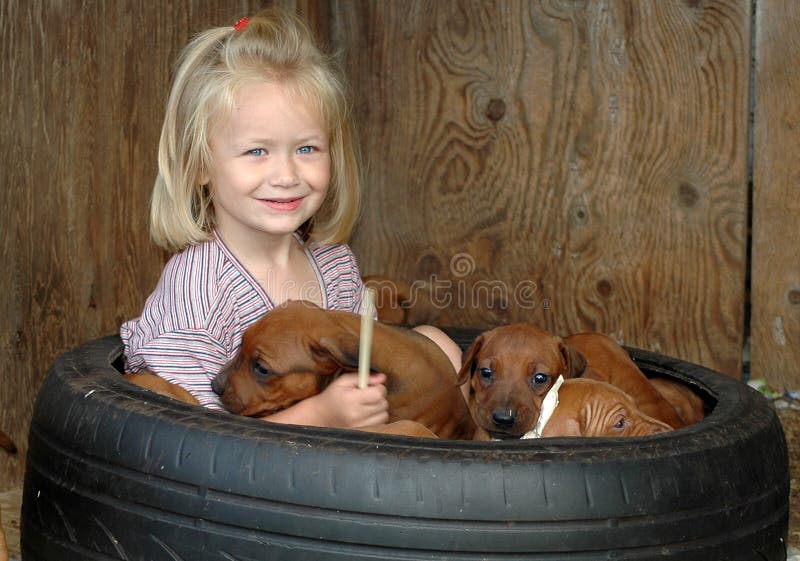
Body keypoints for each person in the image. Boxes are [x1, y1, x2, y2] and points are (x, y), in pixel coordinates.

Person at [121, 7, 462, 429]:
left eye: (306, 149)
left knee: (437, 346)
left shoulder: (333, 263)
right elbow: (198, 438)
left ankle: (470, 456)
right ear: (200, 166)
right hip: (246, 472)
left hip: (336, 453)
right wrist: (321, 415)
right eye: (256, 151)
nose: (286, 176)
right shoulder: (198, 289)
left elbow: (366, 368)